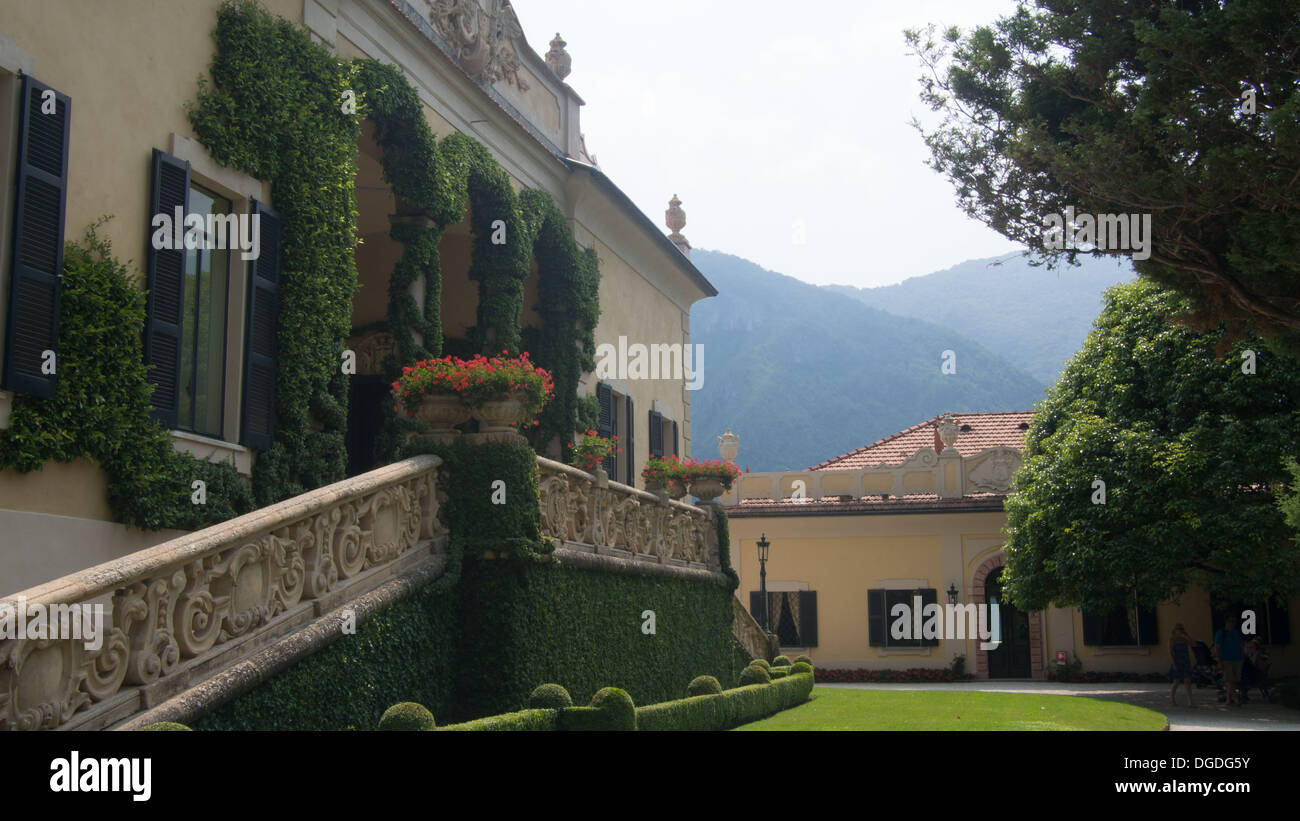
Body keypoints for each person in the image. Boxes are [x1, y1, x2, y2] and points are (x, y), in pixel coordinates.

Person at [1214, 614, 1245, 706]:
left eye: (1234, 622)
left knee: (1233, 680)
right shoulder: (1221, 633)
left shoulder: (1236, 633)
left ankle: (1229, 698)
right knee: (1229, 680)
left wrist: (1242, 657)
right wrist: (1219, 661)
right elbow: (1217, 647)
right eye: (1230, 621)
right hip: (1226, 659)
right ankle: (1233, 699)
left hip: (1237, 659)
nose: (1232, 623)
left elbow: (1241, 645)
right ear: (1226, 622)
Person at [1168, 624, 1194, 707]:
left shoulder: (1184, 639)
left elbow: (1193, 644)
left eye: (1181, 629)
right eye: (1178, 629)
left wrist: (1187, 636)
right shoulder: (1172, 640)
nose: (1180, 631)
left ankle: (1190, 702)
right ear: (1175, 630)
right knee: (1177, 681)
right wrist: (1174, 664)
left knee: (1187, 681)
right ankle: (1172, 698)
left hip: (1185, 661)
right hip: (1177, 661)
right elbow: (1171, 653)